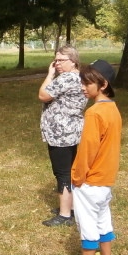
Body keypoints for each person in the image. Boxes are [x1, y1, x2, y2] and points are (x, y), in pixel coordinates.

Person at [57, 59, 122, 255]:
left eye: (87, 83)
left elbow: (87, 150)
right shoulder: (112, 108)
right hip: (105, 180)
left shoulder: (94, 113)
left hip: (90, 181)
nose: (83, 87)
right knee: (103, 220)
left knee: (88, 226)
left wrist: (77, 177)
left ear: (103, 84)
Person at [38, 45, 88, 226]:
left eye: (61, 60)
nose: (56, 63)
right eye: (55, 60)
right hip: (71, 131)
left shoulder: (66, 78)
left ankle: (65, 214)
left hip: (61, 134)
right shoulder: (79, 77)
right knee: (69, 170)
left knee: (62, 172)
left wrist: (50, 75)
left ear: (73, 61)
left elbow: (43, 95)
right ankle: (71, 207)